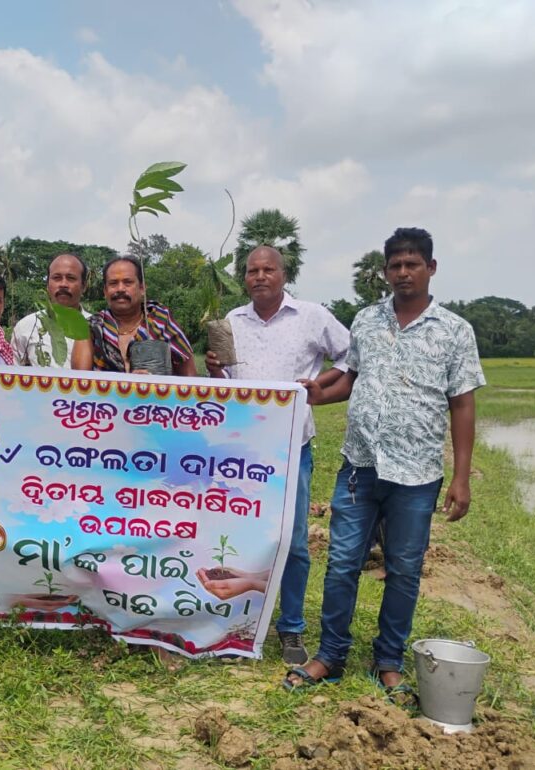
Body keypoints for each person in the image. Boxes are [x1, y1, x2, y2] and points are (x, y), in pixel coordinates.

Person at [284, 227, 485, 697]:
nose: (403, 272)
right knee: (341, 564)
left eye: (412, 264)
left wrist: (461, 478)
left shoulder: (455, 330)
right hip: (360, 466)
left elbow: (462, 404)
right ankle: (330, 655)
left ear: (431, 268)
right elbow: (351, 378)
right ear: (385, 271)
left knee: (404, 569)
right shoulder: (367, 320)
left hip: (417, 475)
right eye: (395, 265)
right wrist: (319, 395)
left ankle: (388, 660)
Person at [206, 246, 350, 666]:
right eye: (252, 271)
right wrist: (214, 369)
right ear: (244, 278)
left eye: (268, 269)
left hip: (291, 448)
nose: (260, 277)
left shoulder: (312, 316)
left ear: (284, 275)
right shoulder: (232, 321)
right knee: (242, 537)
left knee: (294, 541)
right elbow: (226, 381)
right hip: (243, 452)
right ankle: (239, 624)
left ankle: (291, 627)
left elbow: (351, 355)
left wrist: (320, 384)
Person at [71, 255, 196, 376]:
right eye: (113, 283)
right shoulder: (90, 328)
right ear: (105, 291)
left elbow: (191, 380)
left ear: (142, 288)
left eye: (128, 282)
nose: (120, 289)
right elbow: (80, 382)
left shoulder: (161, 321)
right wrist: (130, 383)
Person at [11, 253, 91, 367]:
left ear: (84, 286)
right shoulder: (26, 327)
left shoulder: (97, 328)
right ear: (47, 285)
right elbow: (14, 373)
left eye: (71, 278)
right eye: (57, 278)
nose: (63, 284)